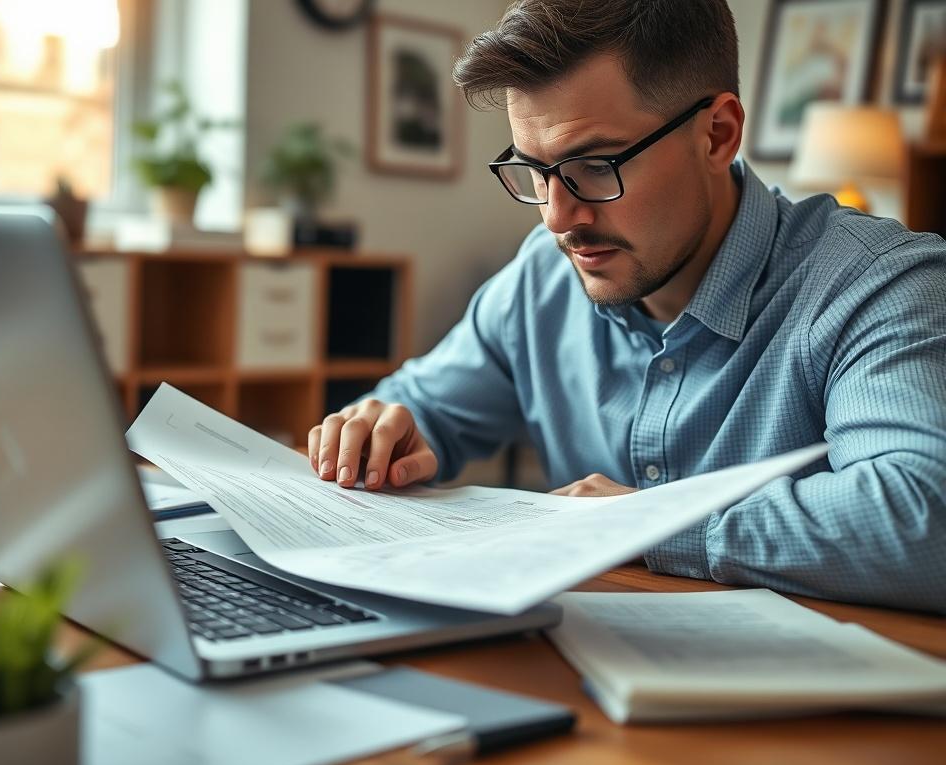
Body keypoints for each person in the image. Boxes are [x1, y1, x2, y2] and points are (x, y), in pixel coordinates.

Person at [307, 0, 946, 614]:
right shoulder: (543, 277)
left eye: (593, 165)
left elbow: (926, 519)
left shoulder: (875, 284)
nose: (558, 217)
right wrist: (382, 431)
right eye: (533, 169)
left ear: (718, 135)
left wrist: (645, 523)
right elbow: (421, 410)